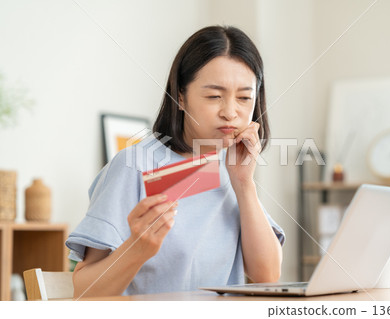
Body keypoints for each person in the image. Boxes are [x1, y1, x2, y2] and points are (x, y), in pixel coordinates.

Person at [66, 25, 285, 298]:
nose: (231, 112)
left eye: (244, 98)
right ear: (180, 96)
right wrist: (137, 248)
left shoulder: (230, 169)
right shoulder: (134, 165)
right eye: (214, 96)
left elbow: (267, 275)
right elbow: (84, 292)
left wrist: (244, 184)